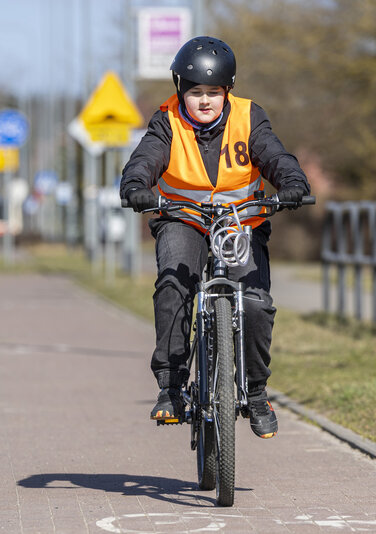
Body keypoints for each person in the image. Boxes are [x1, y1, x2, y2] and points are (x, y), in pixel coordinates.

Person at [119, 36, 310, 439]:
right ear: (179, 90)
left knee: (255, 303)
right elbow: (144, 160)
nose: (204, 101)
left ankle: (256, 392)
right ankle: (171, 388)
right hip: (182, 219)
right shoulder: (166, 121)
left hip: (240, 222)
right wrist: (136, 185)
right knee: (173, 287)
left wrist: (292, 182)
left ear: (228, 91)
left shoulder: (249, 117)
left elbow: (276, 156)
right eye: (195, 92)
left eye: (214, 92)